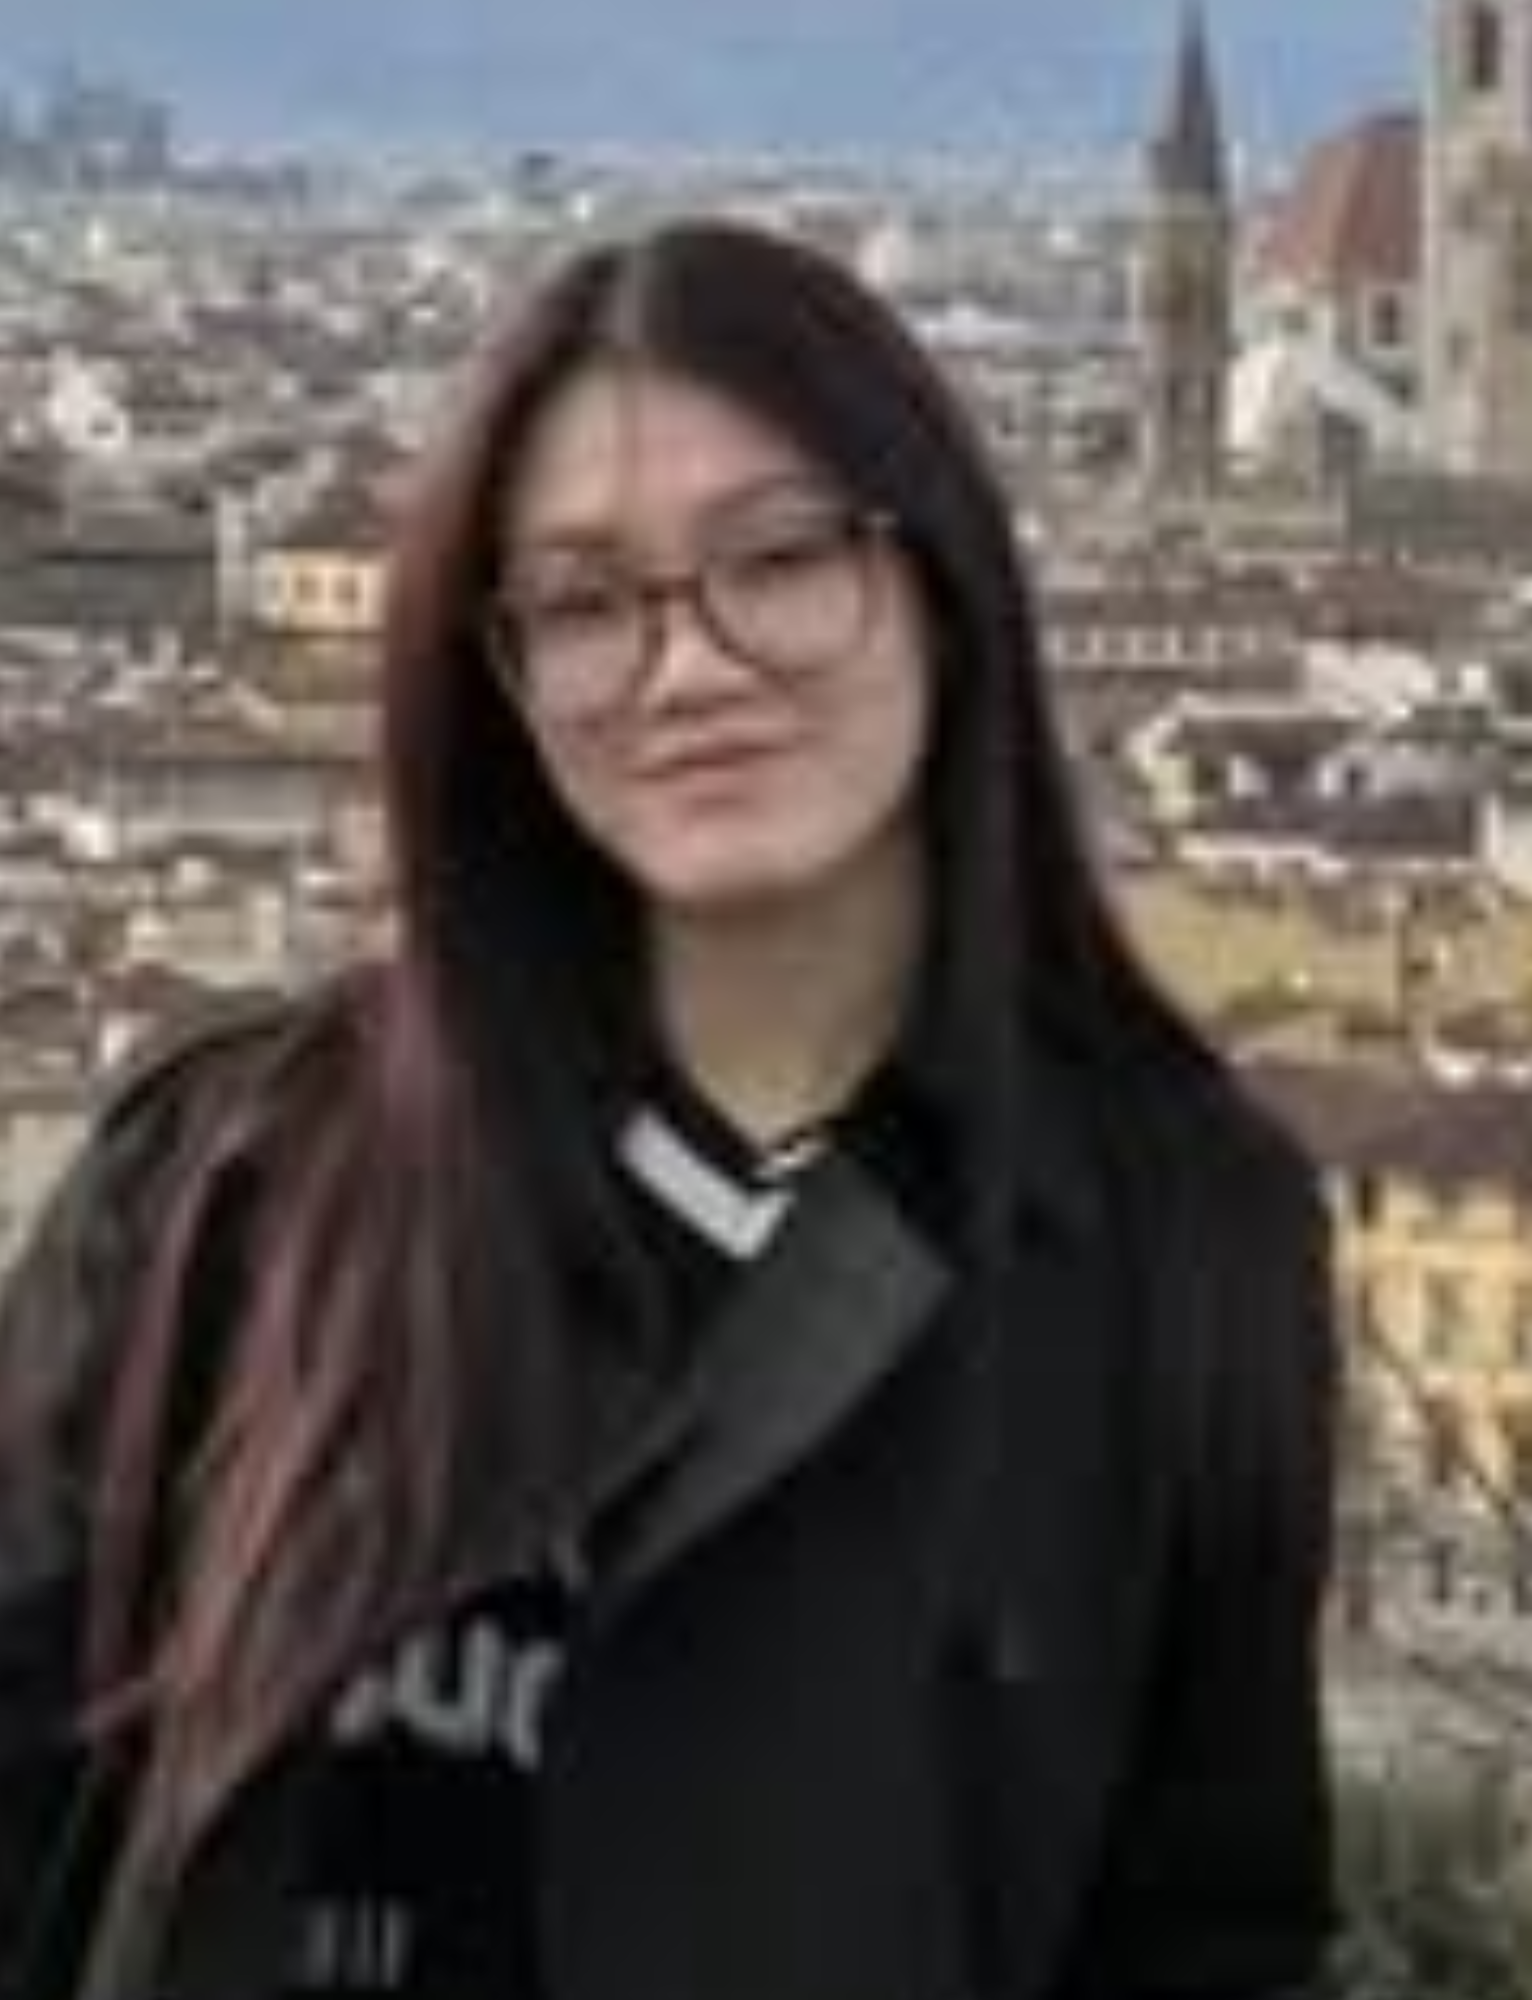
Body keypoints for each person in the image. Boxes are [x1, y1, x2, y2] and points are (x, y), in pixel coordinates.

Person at [0, 217, 1336, 2000]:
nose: (689, 665)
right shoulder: (233, 1176)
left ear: (941, 582)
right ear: (501, 678)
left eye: (777, 560)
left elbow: (1206, 1936)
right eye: (583, 604)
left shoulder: (1176, 1235)